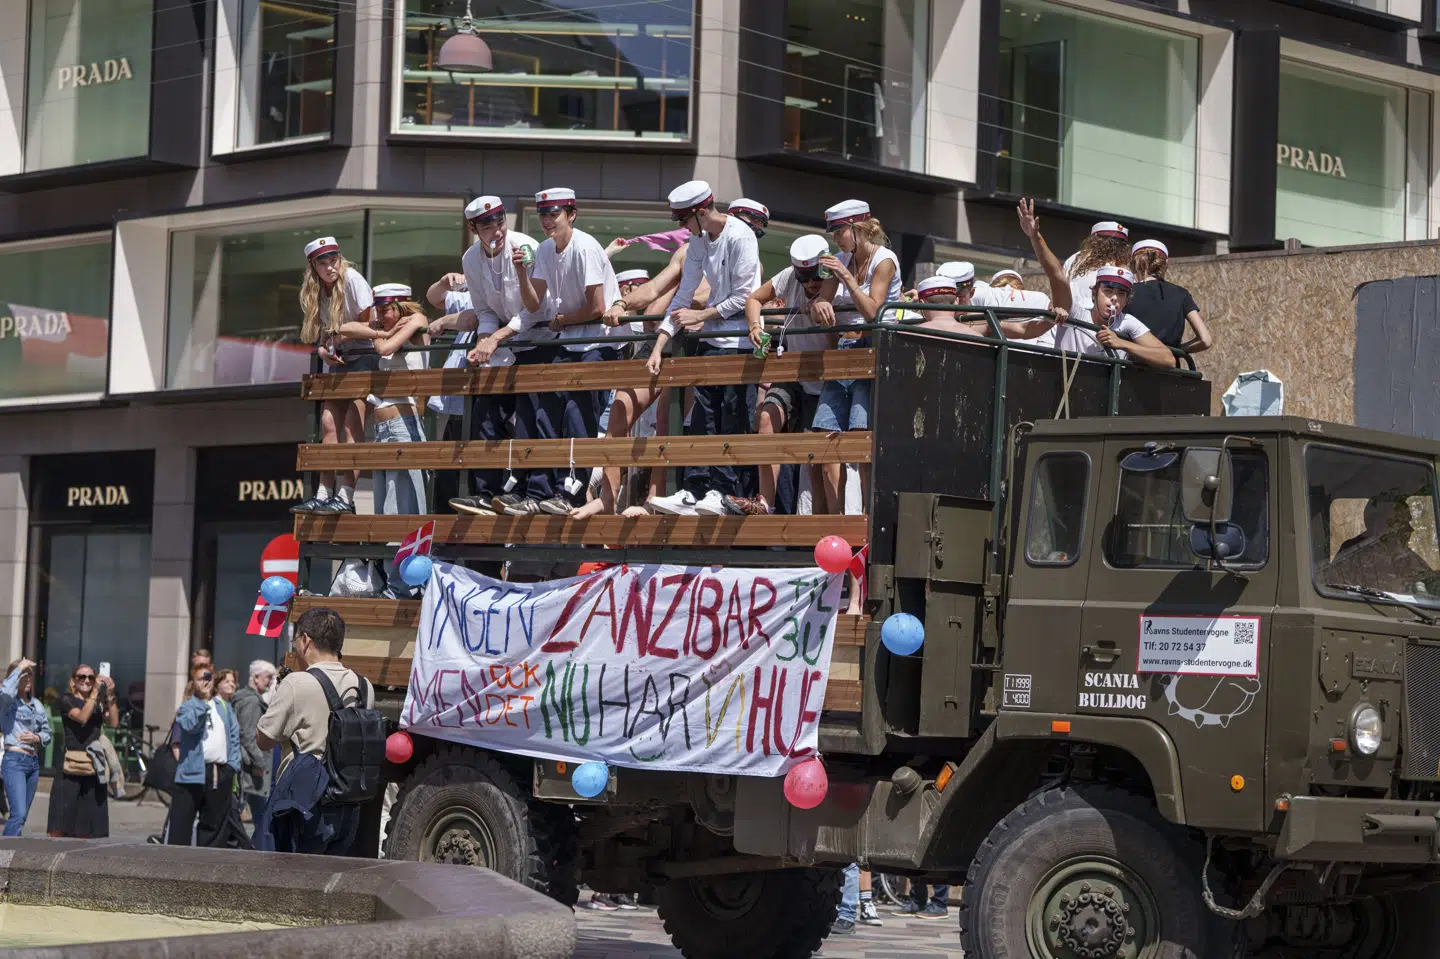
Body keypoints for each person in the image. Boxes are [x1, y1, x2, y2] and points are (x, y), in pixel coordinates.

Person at [647, 180, 763, 516]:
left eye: (683, 220)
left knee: (732, 416)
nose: (682, 227)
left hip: (740, 342)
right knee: (703, 417)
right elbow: (684, 295)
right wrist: (660, 344)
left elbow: (745, 296)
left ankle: (725, 493)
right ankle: (695, 490)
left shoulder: (742, 236)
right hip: (713, 341)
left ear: (700, 212)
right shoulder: (698, 241)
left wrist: (702, 313)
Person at [507, 187, 622, 516]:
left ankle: (570, 492)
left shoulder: (585, 246)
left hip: (598, 341)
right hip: (569, 341)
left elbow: (598, 308)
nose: (547, 220)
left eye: (554, 214)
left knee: (576, 414)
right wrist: (519, 271)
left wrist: (562, 320)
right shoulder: (544, 249)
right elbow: (533, 303)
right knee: (546, 412)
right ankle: (542, 491)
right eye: (543, 214)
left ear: (571, 214)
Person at [441, 196, 542, 517]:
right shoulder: (471, 259)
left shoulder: (527, 246)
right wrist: (483, 343)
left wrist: (494, 338)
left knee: (531, 421)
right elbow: (484, 311)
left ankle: (525, 493)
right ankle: (487, 493)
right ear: (473, 229)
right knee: (485, 418)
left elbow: (537, 309)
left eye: (500, 223)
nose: (497, 231)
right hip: (504, 346)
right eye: (487, 226)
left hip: (540, 341)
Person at [257, 607, 377, 856]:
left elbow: (264, 740)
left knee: (295, 882)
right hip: (348, 801)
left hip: (307, 803)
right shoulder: (364, 686)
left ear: (305, 640)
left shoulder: (296, 682)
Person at [732, 234, 833, 516]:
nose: (811, 283)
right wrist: (755, 326)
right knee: (766, 419)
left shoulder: (838, 282)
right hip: (793, 371)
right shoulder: (789, 277)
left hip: (827, 377)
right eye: (805, 277)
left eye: (815, 276)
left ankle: (822, 522)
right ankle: (765, 502)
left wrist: (819, 309)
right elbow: (754, 298)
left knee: (817, 460)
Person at [1017, 201, 1175, 369]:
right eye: (1108, 290)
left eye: (1121, 293)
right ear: (1094, 292)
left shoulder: (1126, 322)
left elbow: (1169, 359)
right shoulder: (1077, 306)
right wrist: (1035, 237)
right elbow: (1056, 276)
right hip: (1063, 324)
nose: (1114, 298)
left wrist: (1122, 343)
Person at [290, 237, 375, 516]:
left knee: (352, 425)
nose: (330, 267)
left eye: (333, 260)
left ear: (340, 259)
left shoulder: (353, 280)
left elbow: (368, 325)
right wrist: (324, 348)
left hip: (366, 355)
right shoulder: (314, 291)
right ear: (313, 266)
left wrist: (332, 341)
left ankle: (346, 496)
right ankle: (324, 493)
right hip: (340, 358)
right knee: (328, 423)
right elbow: (324, 334)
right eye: (323, 263)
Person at [169, 664, 242, 847]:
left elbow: (234, 736)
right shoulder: (187, 707)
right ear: (193, 683)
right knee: (181, 827)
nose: (205, 682)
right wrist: (201, 702)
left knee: (214, 827)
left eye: (208, 678)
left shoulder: (223, 707)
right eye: (201, 678)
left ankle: (208, 868)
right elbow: (190, 726)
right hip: (191, 774)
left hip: (218, 772)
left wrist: (232, 766)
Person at [46, 664, 118, 838]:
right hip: (70, 765)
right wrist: (95, 695)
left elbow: (113, 722)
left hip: (93, 765)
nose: (86, 680)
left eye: (91, 678)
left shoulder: (100, 702)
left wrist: (109, 695)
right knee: (61, 822)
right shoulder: (66, 699)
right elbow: (81, 718)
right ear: (73, 681)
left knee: (89, 825)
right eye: (82, 677)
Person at [1127, 239, 1213, 356]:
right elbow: (1205, 340)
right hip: (1169, 370)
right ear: (1164, 264)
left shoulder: (1126, 292)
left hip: (1132, 367)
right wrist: (1176, 351)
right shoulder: (1181, 293)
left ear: (1133, 264)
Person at [0, 658, 49, 837]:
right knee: (17, 815)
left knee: (21, 817)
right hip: (14, 761)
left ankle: (12, 859)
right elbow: (5, 692)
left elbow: (47, 733)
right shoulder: (8, 703)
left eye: (30, 676)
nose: (27, 680)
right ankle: (3, 860)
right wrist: (18, 668)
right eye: (23, 676)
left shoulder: (37, 705)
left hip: (32, 763)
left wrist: (37, 737)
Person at [231, 660, 276, 829]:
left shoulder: (245, 697)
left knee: (248, 808)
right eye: (268, 677)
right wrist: (260, 762)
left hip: (246, 763)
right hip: (250, 766)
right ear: (256, 678)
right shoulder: (251, 701)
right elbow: (248, 735)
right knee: (255, 812)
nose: (271, 681)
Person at [1062, 220, 1130, 317]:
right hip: (1077, 314)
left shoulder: (1075, 258)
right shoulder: (1120, 267)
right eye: (1111, 242)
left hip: (1079, 314)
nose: (1115, 248)